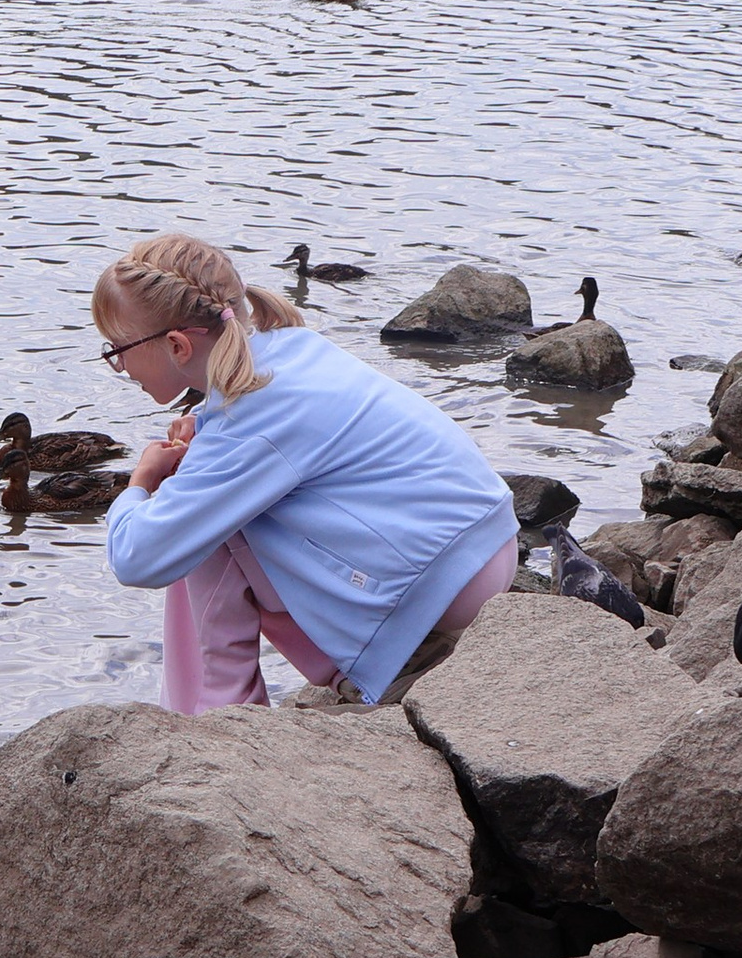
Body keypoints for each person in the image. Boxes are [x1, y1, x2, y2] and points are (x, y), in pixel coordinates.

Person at [93, 231, 518, 711]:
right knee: (205, 502)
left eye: (117, 349)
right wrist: (205, 442)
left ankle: (218, 715)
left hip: (444, 586)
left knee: (198, 529)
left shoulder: (248, 418)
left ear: (176, 345)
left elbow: (138, 558)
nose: (120, 366)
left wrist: (142, 482)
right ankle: (372, 660)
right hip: (484, 547)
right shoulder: (291, 350)